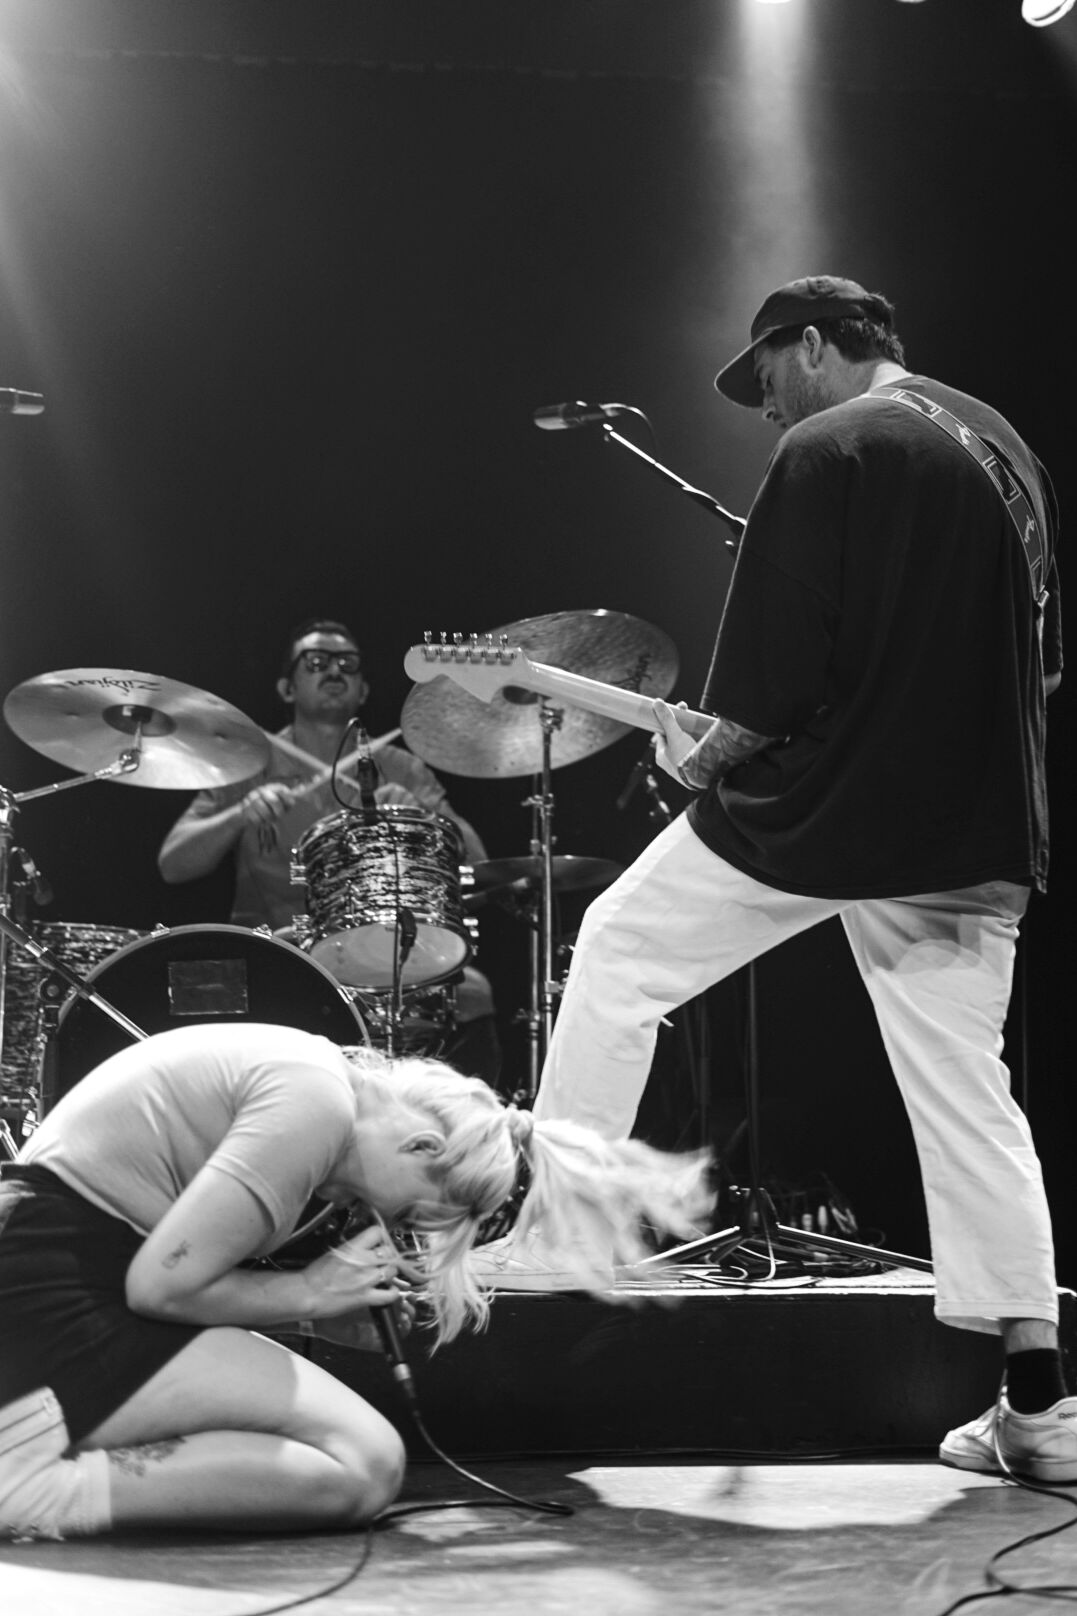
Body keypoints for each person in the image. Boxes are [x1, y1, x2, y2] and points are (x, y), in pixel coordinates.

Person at [500, 275, 1072, 1485]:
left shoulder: (830, 446)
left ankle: (557, 1240)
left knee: (618, 951)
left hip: (827, 813)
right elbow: (1045, 668)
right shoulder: (1009, 450)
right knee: (971, 1097)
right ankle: (1039, 1401)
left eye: (764, 376)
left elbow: (766, 683)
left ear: (813, 345)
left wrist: (698, 755)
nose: (764, 406)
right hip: (977, 829)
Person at [0, 1022, 711, 1539]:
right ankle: (32, 1485)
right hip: (47, 1285)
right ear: (422, 1145)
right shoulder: (315, 1103)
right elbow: (161, 1289)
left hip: (53, 1274)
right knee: (360, 1462)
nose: (380, 1220)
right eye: (406, 1211)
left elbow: (170, 1275)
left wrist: (310, 1313)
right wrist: (307, 1292)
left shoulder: (316, 1081)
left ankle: (32, 1452)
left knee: (362, 1462)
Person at [158, 618, 501, 1086]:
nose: (334, 670)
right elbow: (173, 863)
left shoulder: (400, 767)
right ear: (287, 687)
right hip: (277, 951)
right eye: (316, 662)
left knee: (474, 992)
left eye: (348, 663)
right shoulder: (251, 764)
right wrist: (239, 813)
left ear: (363, 691)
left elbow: (478, 866)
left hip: (384, 953)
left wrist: (421, 811)